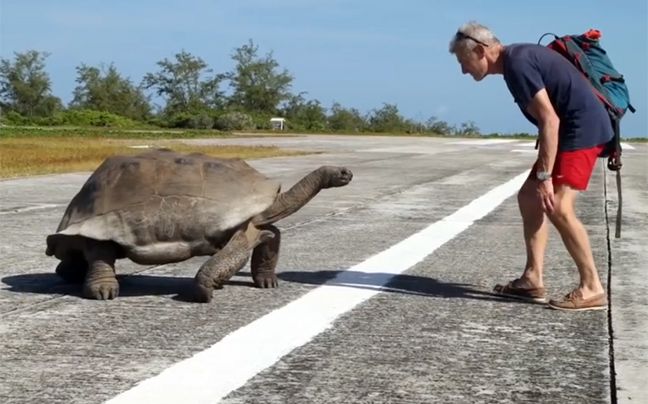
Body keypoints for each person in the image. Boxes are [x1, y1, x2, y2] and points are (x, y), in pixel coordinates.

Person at [448, 21, 612, 311]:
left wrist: (546, 176)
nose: (463, 70)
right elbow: (548, 120)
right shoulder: (516, 61)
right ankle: (532, 278)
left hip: (581, 130)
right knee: (529, 196)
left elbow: (550, 120)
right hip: (569, 131)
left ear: (481, 50)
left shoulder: (518, 64)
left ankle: (592, 287)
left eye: (464, 61)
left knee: (559, 206)